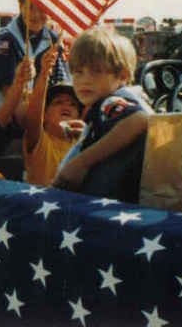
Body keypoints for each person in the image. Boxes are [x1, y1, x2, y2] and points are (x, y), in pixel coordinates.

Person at [50, 26, 151, 204]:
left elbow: (139, 120)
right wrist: (93, 134)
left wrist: (81, 163)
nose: (85, 80)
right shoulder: (109, 106)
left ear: (122, 76)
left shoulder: (111, 102)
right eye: (78, 72)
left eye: (96, 71)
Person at [0, 0, 61, 127]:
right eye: (30, 8)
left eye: (42, 9)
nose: (36, 15)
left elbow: (58, 81)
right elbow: (7, 87)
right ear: (21, 6)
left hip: (42, 99)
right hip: (11, 98)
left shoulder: (53, 40)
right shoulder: (5, 40)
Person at [23, 41, 84, 186]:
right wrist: (44, 73)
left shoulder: (83, 144)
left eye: (73, 104)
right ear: (45, 116)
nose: (66, 106)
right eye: (58, 102)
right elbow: (33, 116)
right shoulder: (40, 142)